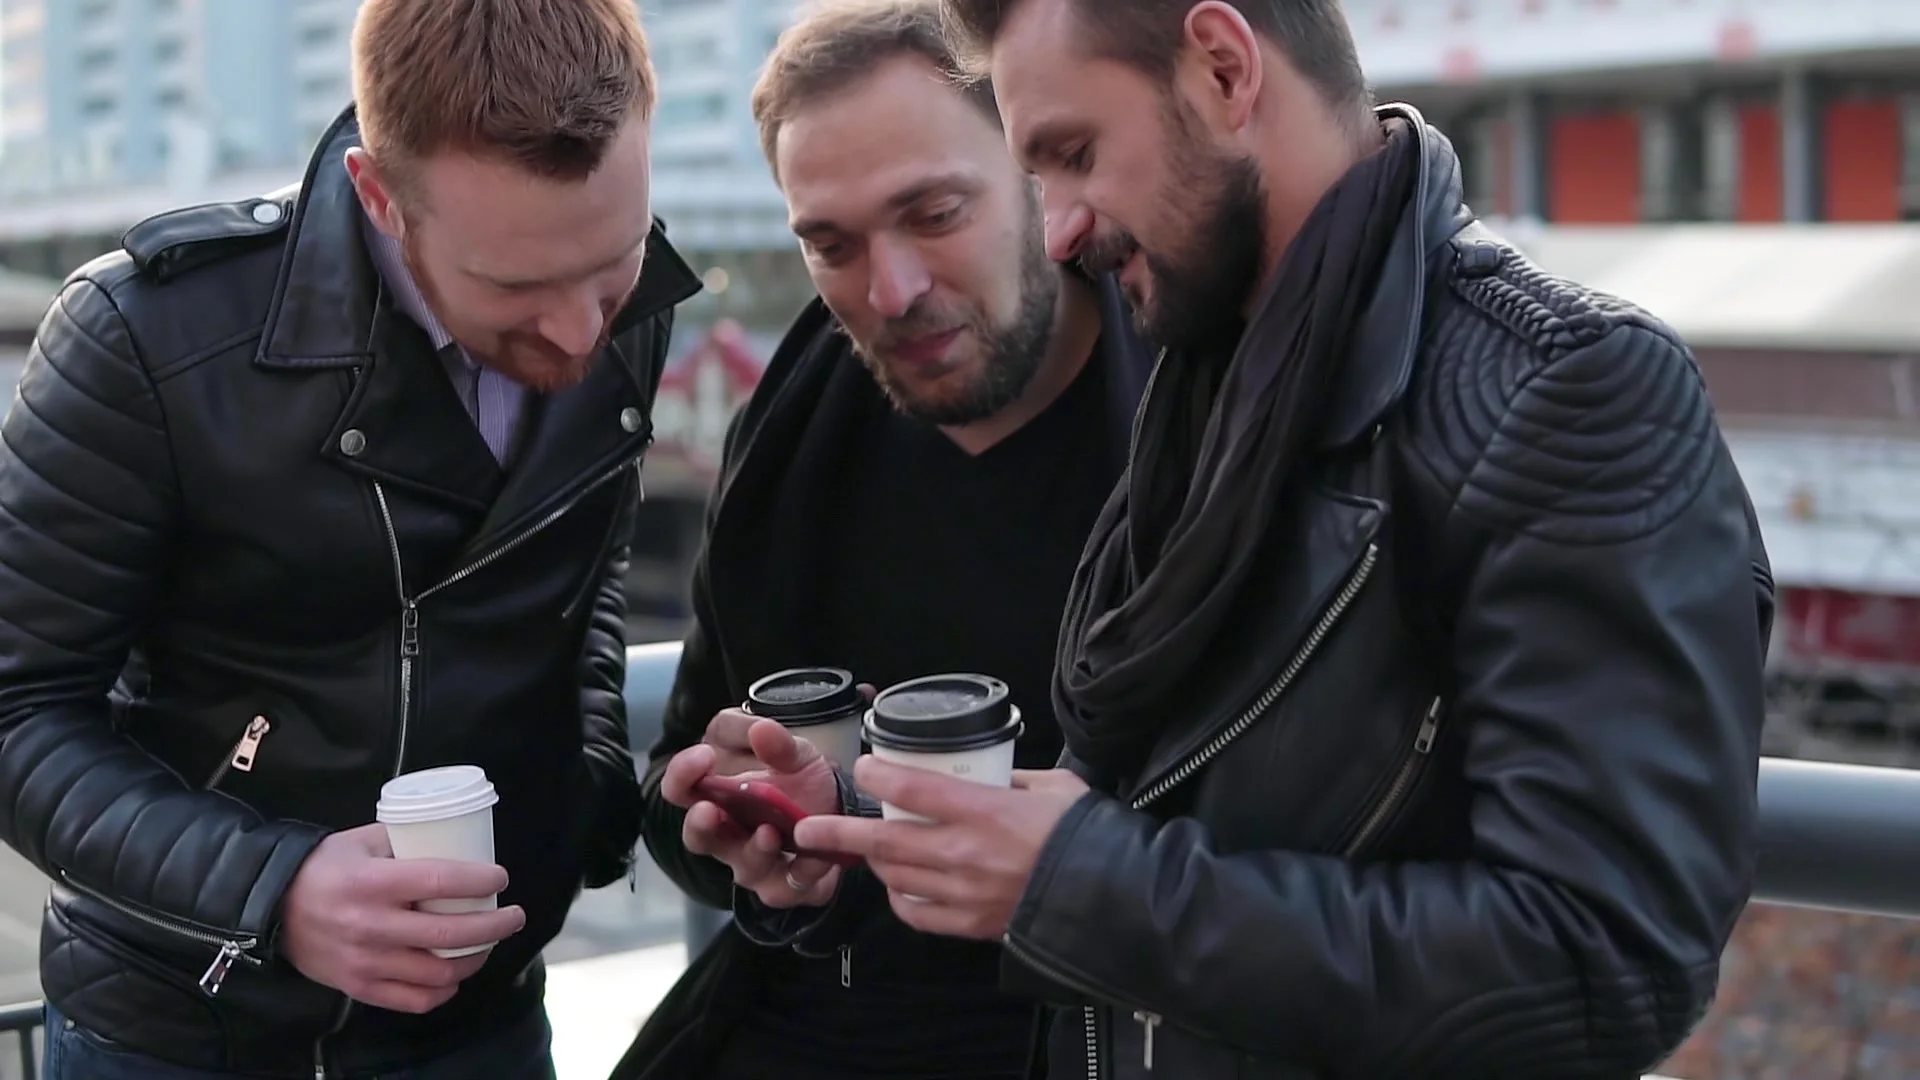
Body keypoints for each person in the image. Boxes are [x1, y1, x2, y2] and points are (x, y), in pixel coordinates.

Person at [794, 2, 1777, 1078]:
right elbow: (1160, 823)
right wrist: (846, 842)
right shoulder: (1217, 368)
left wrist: (1083, 885)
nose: (1062, 228)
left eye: (1075, 155)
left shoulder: (1570, 391)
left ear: (1222, 69)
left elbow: (1607, 966)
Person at [0, 0, 699, 1076]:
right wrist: (273, 891)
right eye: (515, 286)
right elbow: (17, 713)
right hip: (185, 1035)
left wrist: (589, 791)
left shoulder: (630, 310)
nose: (580, 331)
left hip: (486, 1022)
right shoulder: (144, 340)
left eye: (611, 264)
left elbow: (582, 580)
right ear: (381, 195)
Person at [620, 3, 1150, 1078]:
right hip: (811, 1025)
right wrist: (757, 852)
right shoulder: (797, 432)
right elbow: (684, 807)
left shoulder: (1196, 425)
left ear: (1043, 174)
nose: (891, 289)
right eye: (832, 243)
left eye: (935, 212)